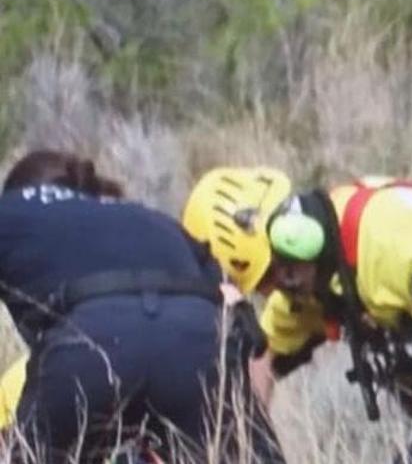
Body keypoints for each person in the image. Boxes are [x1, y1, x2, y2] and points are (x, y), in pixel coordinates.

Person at [182, 168, 412, 464]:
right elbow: (263, 357)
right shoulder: (309, 281)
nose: (274, 291)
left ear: (294, 233)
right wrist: (243, 445)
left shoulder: (393, 244)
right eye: (262, 286)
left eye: (275, 274)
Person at [0, 150, 283, 463]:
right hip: (197, 339)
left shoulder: (10, 212)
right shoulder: (150, 219)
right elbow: (236, 308)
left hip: (90, 345)